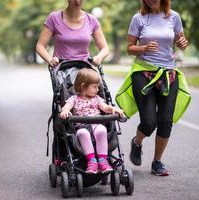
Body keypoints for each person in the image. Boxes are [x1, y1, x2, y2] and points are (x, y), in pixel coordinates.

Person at [116, 0, 190, 176]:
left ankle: (157, 162)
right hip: (144, 72)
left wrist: (182, 44)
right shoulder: (138, 18)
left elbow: (181, 42)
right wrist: (144, 48)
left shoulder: (174, 17)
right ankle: (137, 142)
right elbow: (130, 48)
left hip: (168, 73)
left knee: (165, 121)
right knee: (149, 121)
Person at [60, 68, 124, 174]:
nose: (98, 89)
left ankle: (103, 160)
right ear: (83, 86)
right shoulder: (74, 99)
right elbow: (66, 106)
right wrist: (65, 111)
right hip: (82, 126)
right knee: (82, 133)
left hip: (96, 124)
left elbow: (105, 107)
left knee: (102, 130)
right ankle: (92, 161)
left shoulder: (97, 98)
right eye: (95, 87)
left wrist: (113, 109)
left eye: (98, 86)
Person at [36, 0, 109, 67]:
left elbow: (105, 48)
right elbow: (40, 46)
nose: (77, 1)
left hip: (85, 70)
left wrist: (99, 57)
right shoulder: (54, 18)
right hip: (62, 71)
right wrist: (50, 60)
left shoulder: (92, 20)